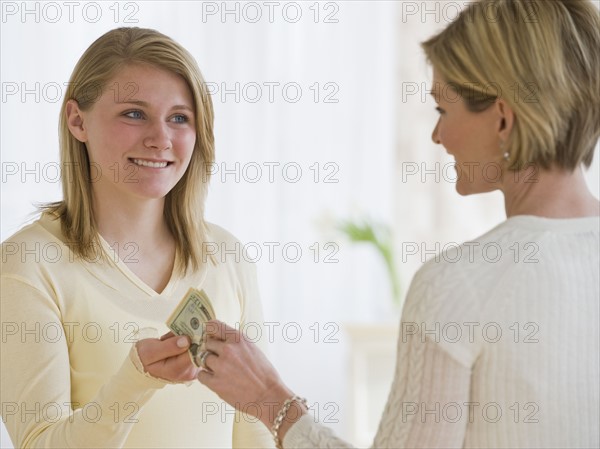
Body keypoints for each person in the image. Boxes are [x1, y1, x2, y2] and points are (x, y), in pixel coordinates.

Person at [194, 1, 600, 448]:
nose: (437, 136)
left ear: (502, 119)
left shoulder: (459, 285)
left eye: (444, 110)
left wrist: (270, 400)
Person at [0, 27, 273, 448]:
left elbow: (256, 433)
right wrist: (135, 381)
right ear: (78, 120)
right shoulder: (28, 265)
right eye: (134, 113)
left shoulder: (228, 257)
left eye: (179, 118)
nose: (160, 139)